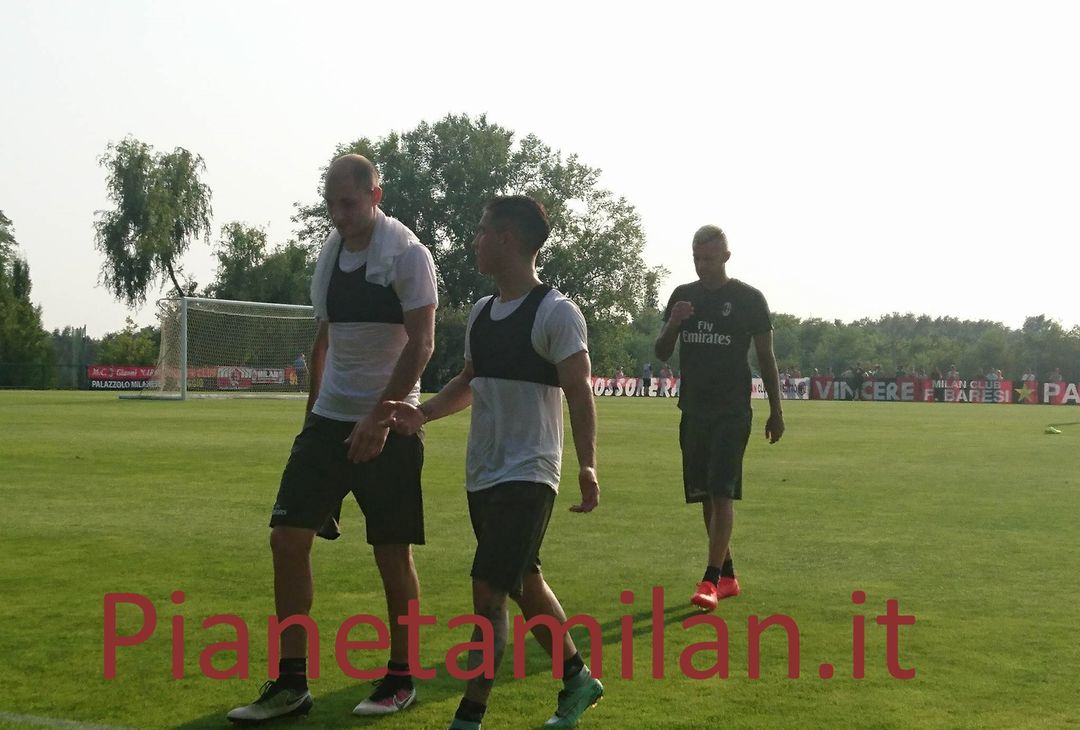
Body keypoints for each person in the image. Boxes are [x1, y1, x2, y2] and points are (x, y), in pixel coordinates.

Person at [227, 155, 438, 723]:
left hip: (389, 424)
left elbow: (422, 344)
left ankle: (400, 677)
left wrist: (380, 415)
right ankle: (290, 683)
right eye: (332, 203)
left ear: (376, 193)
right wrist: (312, 416)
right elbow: (323, 341)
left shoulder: (408, 255)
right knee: (286, 540)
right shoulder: (330, 254)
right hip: (328, 422)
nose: (339, 214)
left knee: (392, 554)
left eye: (349, 202)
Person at [382, 195, 603, 730]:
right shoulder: (482, 312)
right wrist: (423, 412)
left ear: (508, 239)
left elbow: (580, 392)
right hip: (483, 472)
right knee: (523, 582)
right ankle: (577, 679)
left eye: (483, 231)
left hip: (530, 473)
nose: (474, 240)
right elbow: (470, 380)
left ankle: (469, 715)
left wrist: (587, 465)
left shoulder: (557, 312)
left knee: (487, 593)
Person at [654, 224, 784, 612]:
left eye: (708, 258)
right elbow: (661, 353)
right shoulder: (683, 297)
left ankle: (710, 580)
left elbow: (766, 358)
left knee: (722, 490)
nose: (701, 265)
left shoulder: (748, 300)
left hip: (732, 410)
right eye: (696, 258)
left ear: (726, 257)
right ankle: (727, 573)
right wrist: (674, 323)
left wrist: (776, 410)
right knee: (706, 495)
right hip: (693, 408)